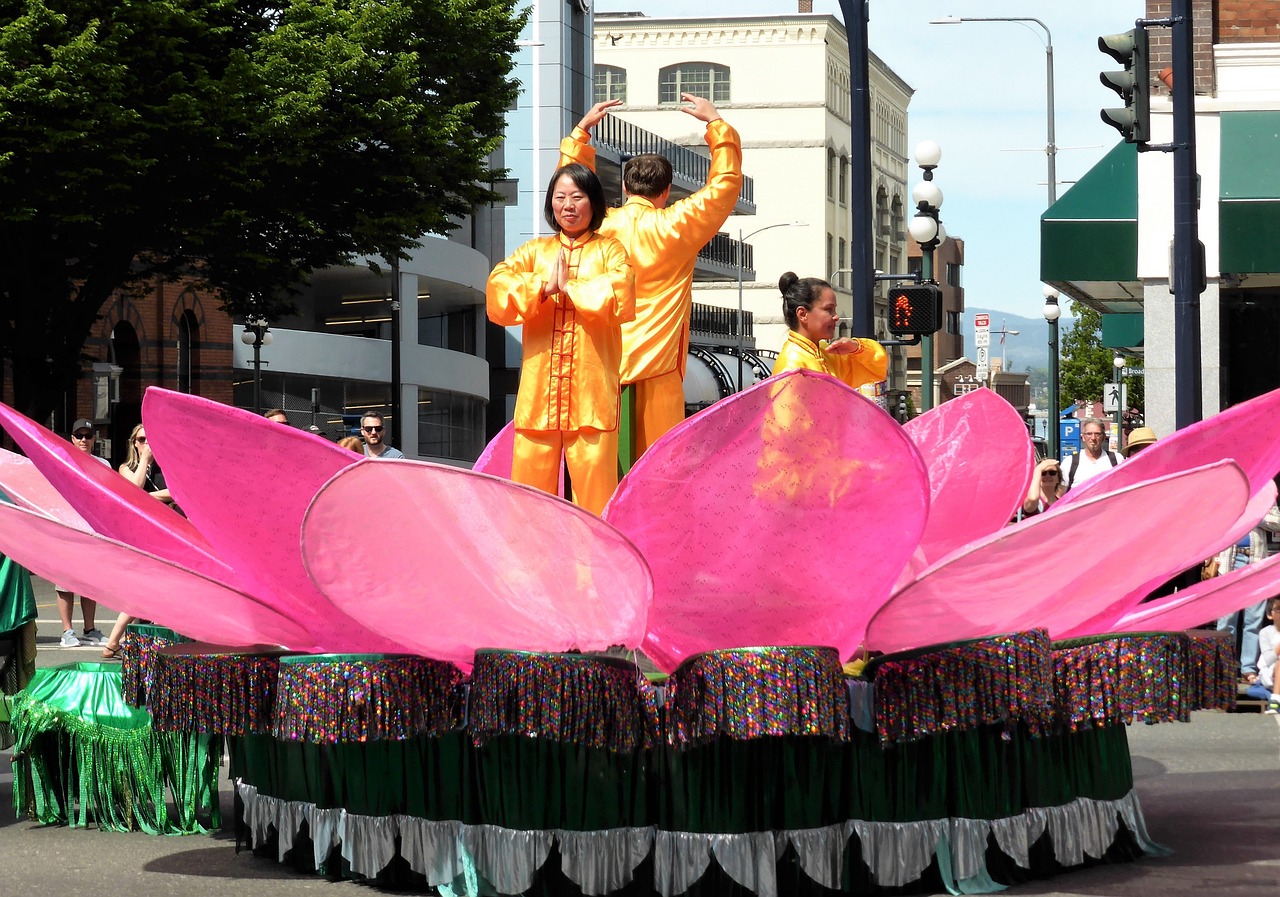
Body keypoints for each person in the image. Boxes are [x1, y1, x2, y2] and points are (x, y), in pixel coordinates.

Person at [558, 94, 741, 455]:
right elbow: (725, 185)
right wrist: (716, 125)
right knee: (658, 469)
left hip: (603, 361)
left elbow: (571, 189)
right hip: (659, 365)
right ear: (667, 191)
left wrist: (580, 136)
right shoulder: (678, 223)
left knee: (596, 468)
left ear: (624, 187)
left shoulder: (601, 225)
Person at [487, 163, 635, 515]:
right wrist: (542, 287)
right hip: (539, 398)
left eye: (577, 197)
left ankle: (596, 570)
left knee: (597, 503)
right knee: (526, 503)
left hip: (591, 400)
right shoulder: (534, 253)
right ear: (551, 205)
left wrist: (572, 288)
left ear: (593, 202)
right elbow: (497, 292)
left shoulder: (611, 252)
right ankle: (527, 569)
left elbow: (621, 296)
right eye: (560, 197)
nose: (568, 205)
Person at [770, 273, 888, 387]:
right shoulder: (791, 365)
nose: (836, 316)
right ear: (803, 314)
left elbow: (876, 369)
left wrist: (856, 347)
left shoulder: (825, 351)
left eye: (834, 309)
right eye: (828, 309)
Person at [56, 420, 110, 647]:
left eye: (88, 436)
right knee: (65, 582)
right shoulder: (61, 461)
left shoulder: (103, 464)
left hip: (92, 529)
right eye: (79, 436)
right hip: (67, 526)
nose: (83, 440)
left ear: (94, 439)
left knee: (90, 582)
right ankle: (67, 632)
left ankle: (90, 628)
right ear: (72, 438)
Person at [1063, 418, 1120, 490]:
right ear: (1083, 437)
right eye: (1089, 434)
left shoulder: (1117, 460)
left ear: (1103, 437)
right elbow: (1060, 495)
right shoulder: (1069, 462)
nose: (1093, 438)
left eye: (1097, 434)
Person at [1247, 598, 1280, 714]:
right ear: (1270, 615)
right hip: (1271, 672)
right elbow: (1268, 659)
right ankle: (1275, 702)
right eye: (1279, 609)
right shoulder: (1265, 633)